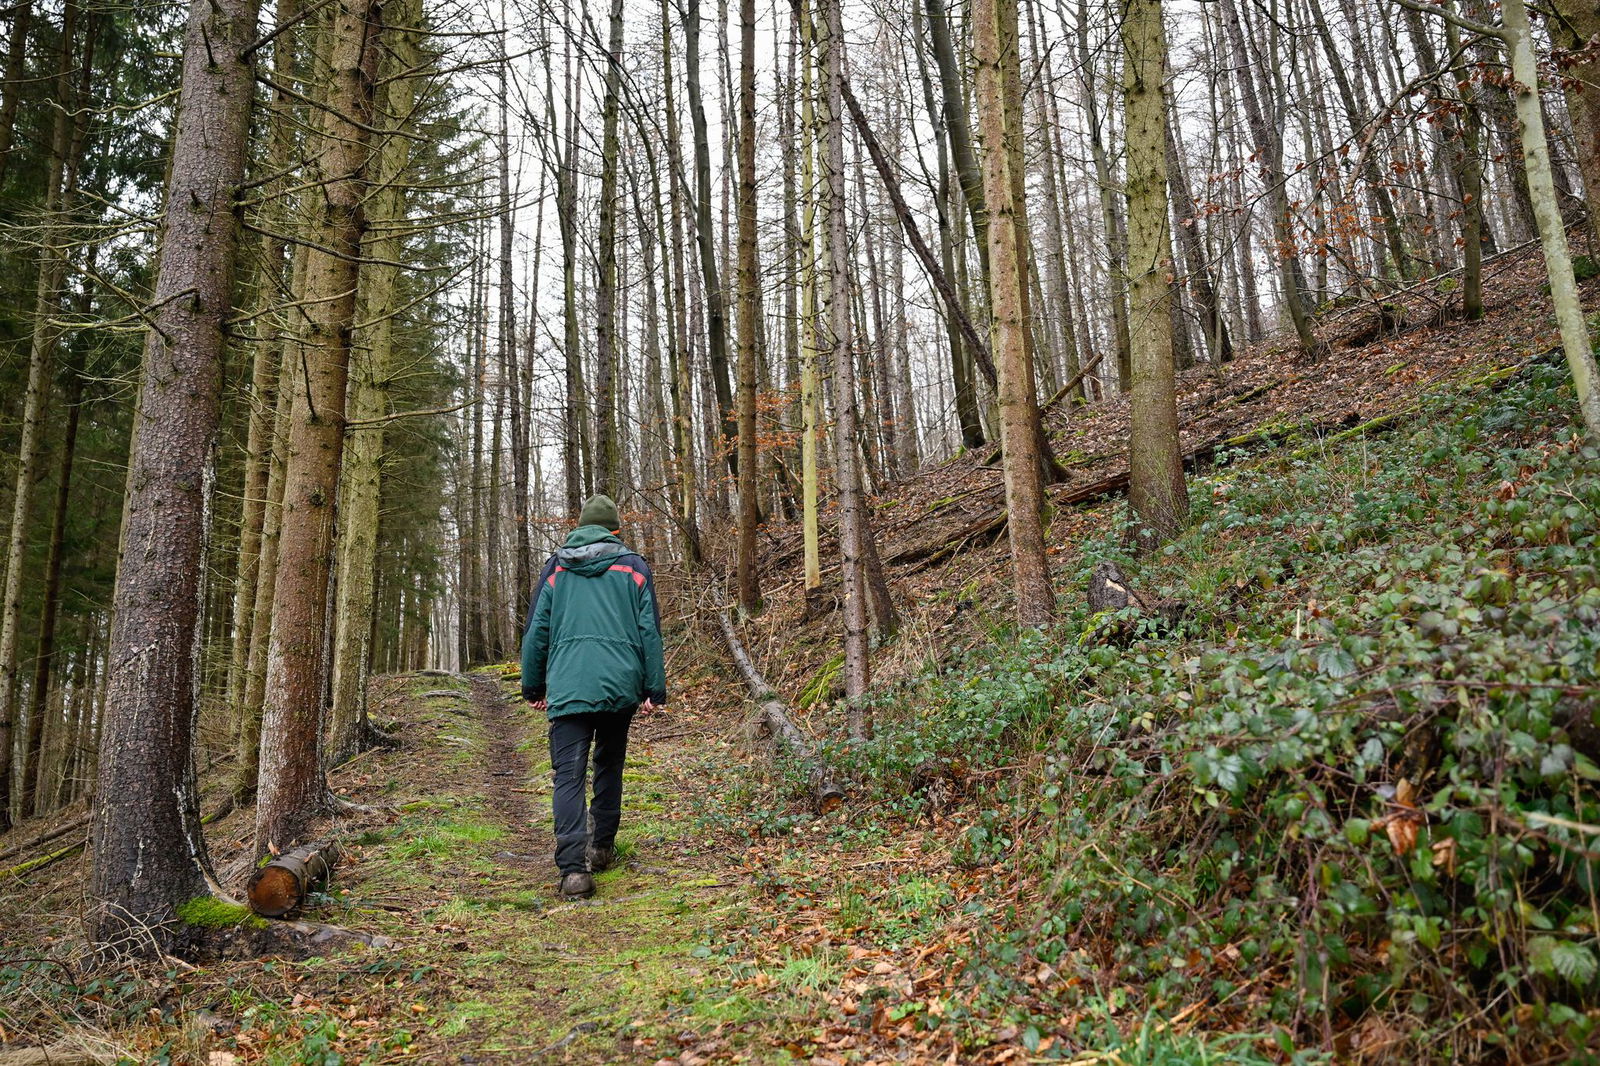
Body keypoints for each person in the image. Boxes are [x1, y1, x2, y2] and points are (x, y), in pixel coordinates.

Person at [520, 494, 667, 899]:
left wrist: (533, 686)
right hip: (621, 685)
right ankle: (600, 847)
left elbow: (536, 632)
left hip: (568, 684)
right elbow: (649, 631)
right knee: (609, 763)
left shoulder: (556, 568)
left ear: (579, 527)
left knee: (567, 775)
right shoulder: (633, 566)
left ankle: (573, 872)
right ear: (615, 530)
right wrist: (654, 688)